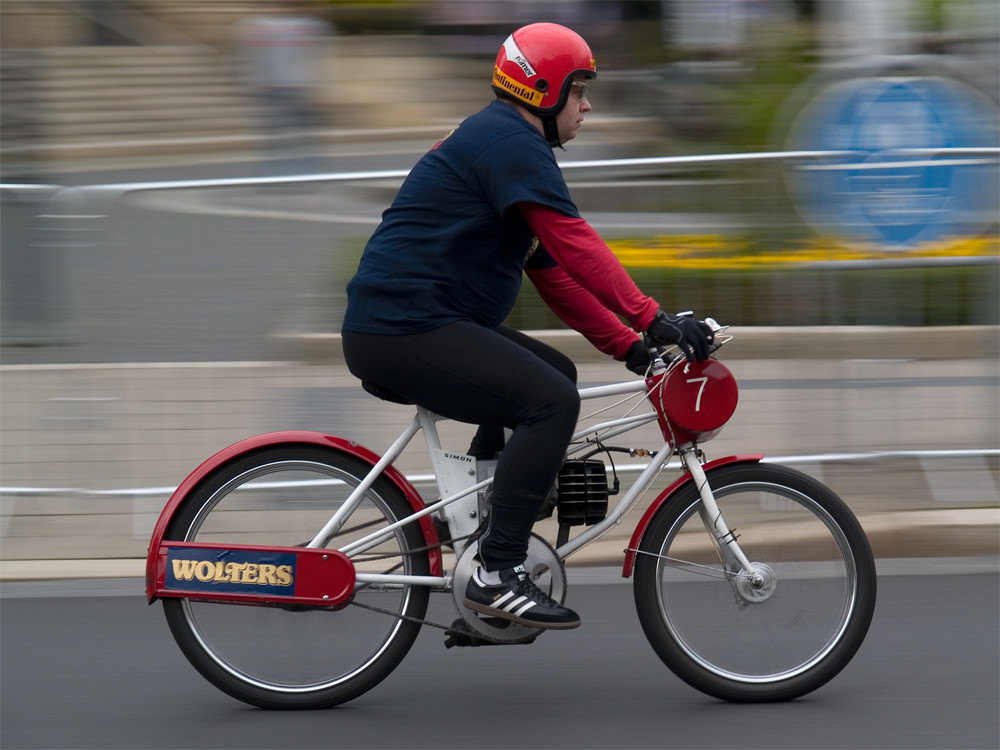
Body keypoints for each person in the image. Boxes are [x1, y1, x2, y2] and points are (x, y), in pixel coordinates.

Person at [341, 22, 713, 630]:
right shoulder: (510, 144)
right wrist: (655, 317)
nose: (587, 105)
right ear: (543, 91)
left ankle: (479, 520)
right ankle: (496, 569)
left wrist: (634, 348)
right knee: (549, 400)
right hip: (404, 327)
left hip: (411, 323)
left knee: (553, 374)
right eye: (580, 91)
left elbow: (556, 277)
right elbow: (575, 242)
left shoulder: (502, 142)